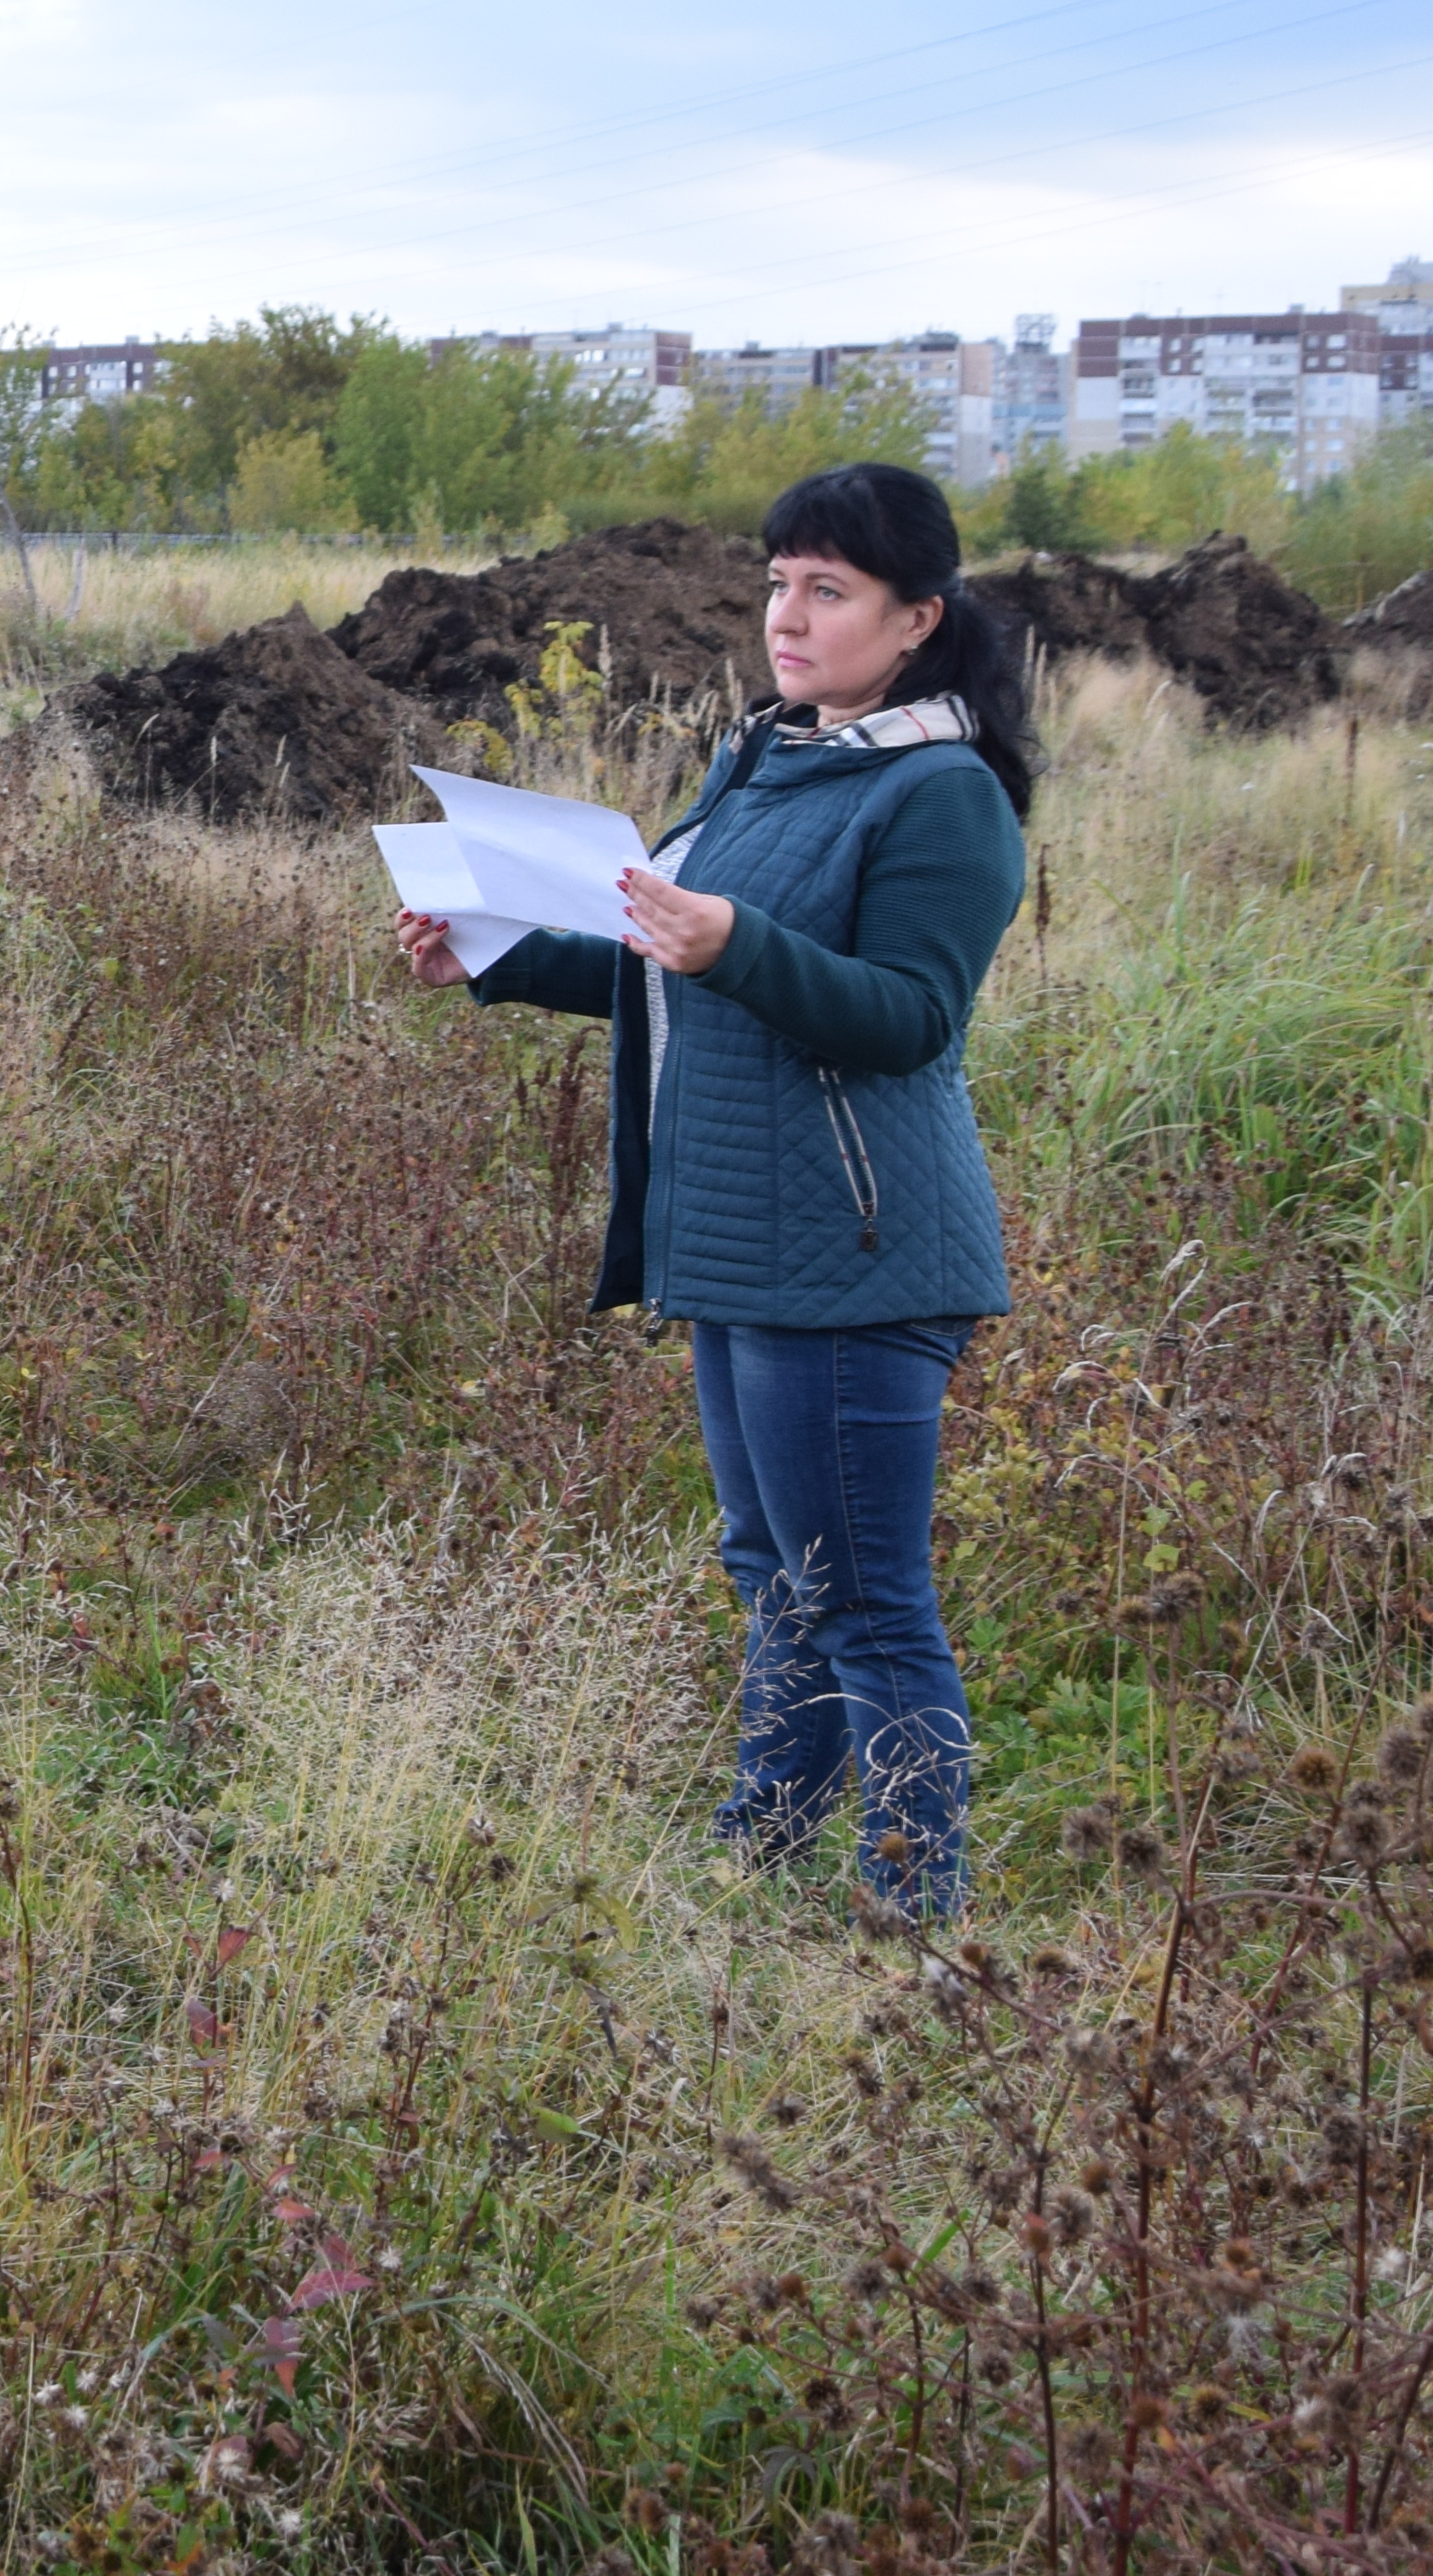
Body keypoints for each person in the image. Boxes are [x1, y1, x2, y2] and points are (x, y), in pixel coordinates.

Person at [393, 463, 1037, 1921]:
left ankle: (912, 1899)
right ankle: (766, 1841)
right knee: (778, 1573)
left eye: (831, 591)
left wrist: (737, 941)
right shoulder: (767, 758)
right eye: (777, 584)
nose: (789, 618)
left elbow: (907, 1019)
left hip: (859, 1253)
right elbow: (663, 956)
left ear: (918, 619)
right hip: (739, 1236)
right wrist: (492, 955)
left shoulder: (945, 798)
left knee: (866, 1600)